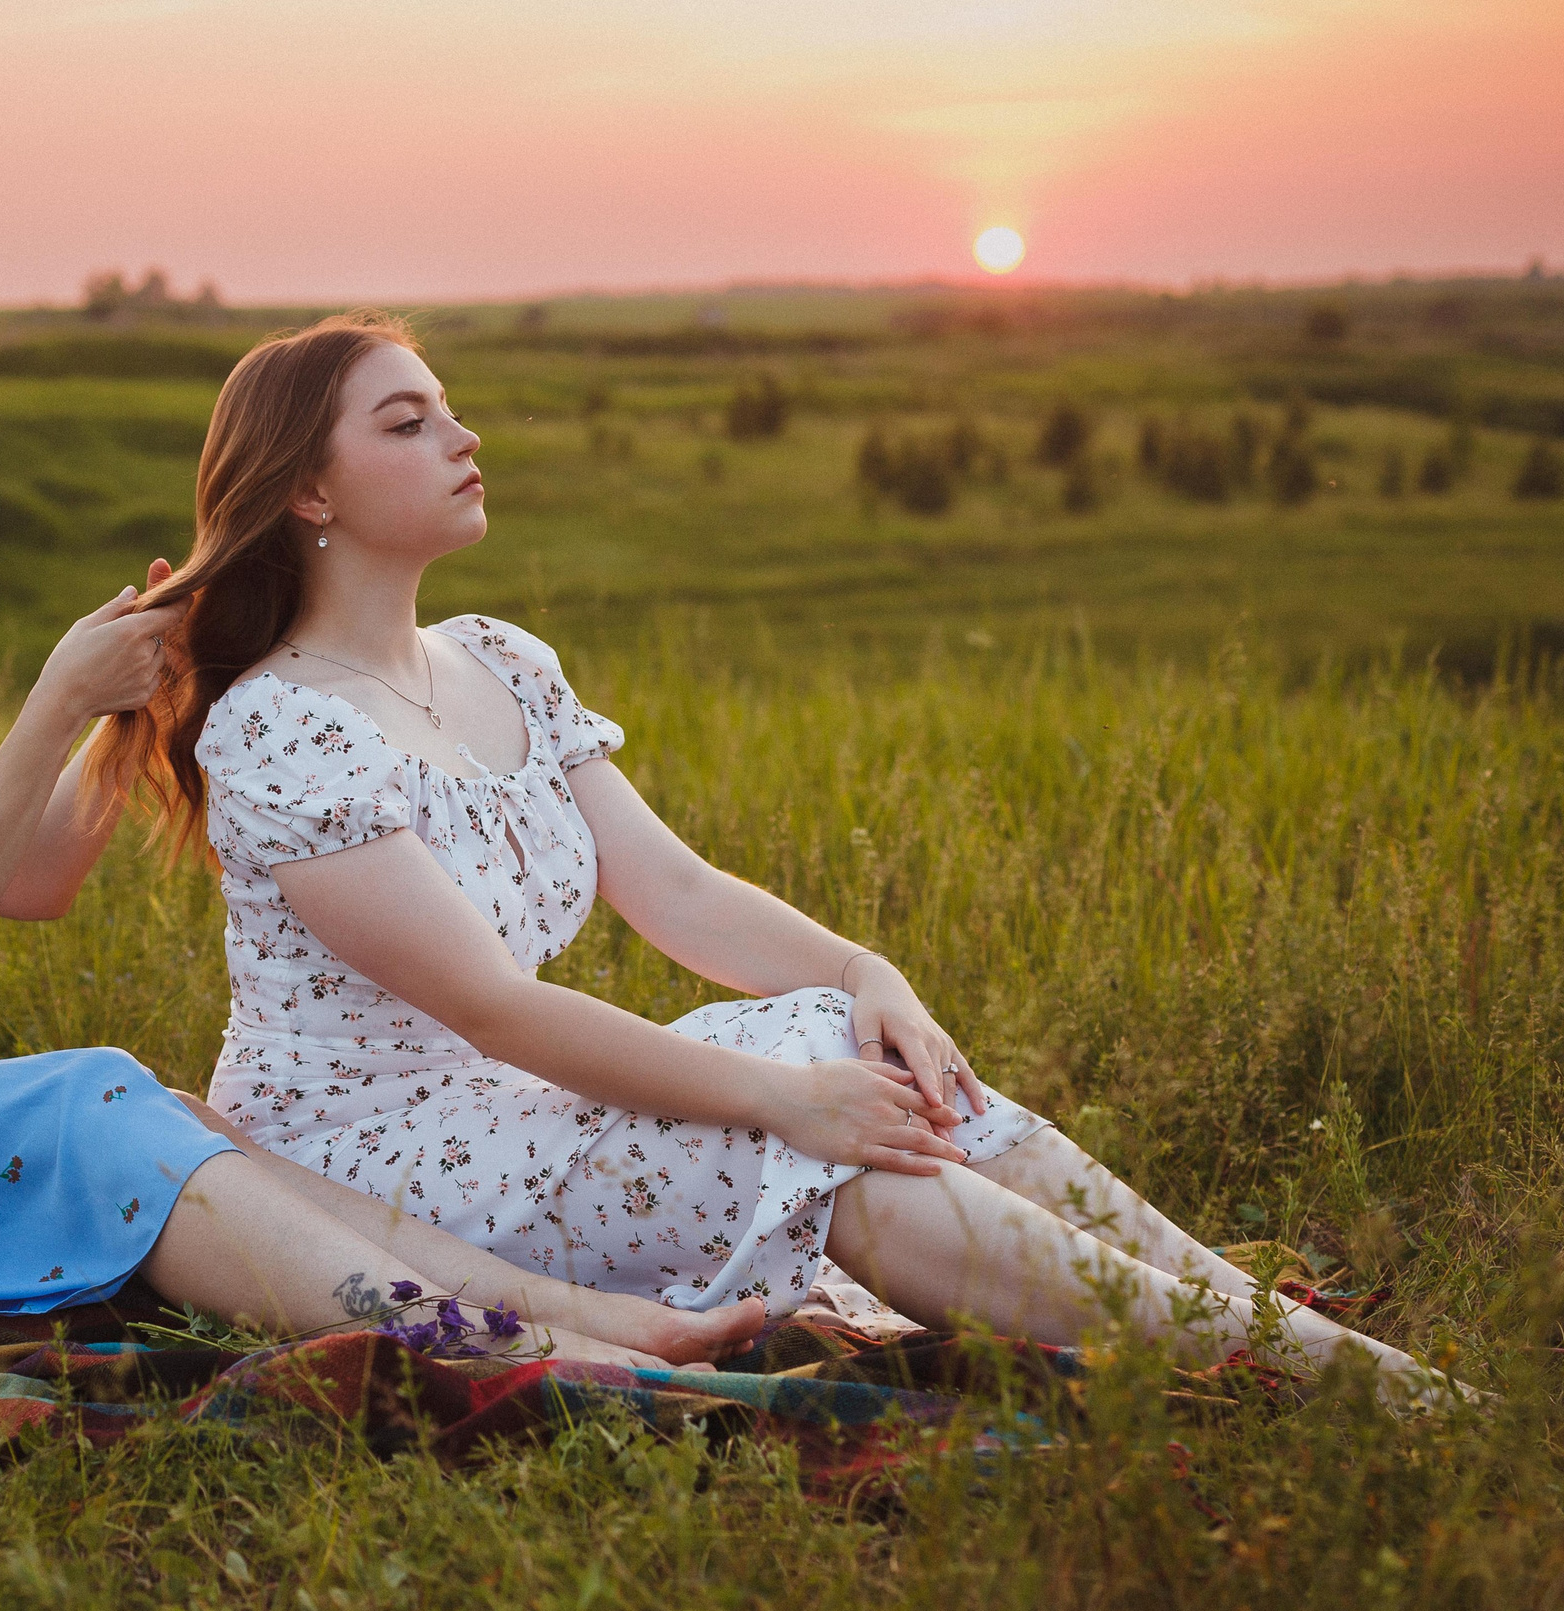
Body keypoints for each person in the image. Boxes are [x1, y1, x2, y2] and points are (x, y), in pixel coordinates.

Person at [91, 311, 1463, 1405]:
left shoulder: (501, 658)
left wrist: (873, 969)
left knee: (849, 1044)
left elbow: (676, 890)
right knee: (808, 1122)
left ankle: (1242, 1311)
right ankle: (1340, 1385)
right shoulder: (276, 722)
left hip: (523, 1110)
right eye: (409, 419)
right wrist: (782, 1099)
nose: (463, 434)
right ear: (311, 489)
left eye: (450, 404)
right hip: (374, 1162)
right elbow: (493, 1009)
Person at [0, 339, 761, 1369]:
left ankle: (565, 1315)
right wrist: (54, 703)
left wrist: (132, 705)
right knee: (88, 1094)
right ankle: (481, 1342)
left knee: (159, 1107)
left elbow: (32, 877)